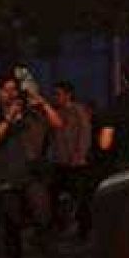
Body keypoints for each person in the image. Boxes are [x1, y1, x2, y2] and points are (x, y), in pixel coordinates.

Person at [0, 70, 63, 258]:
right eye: (5, 90)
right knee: (12, 223)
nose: (11, 94)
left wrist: (41, 102)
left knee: (42, 216)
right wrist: (7, 121)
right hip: (5, 175)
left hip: (31, 173)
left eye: (13, 89)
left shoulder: (29, 113)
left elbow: (57, 124)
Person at [45, 81, 93, 243]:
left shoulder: (78, 111)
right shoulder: (56, 112)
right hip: (60, 161)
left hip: (76, 162)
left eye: (58, 94)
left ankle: (83, 230)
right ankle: (59, 227)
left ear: (68, 94)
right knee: (55, 195)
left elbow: (85, 134)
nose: (55, 97)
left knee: (79, 197)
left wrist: (79, 155)